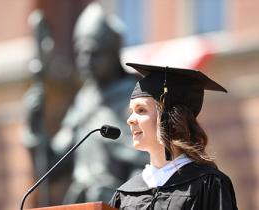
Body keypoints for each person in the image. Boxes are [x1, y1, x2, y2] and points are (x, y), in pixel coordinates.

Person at [51, 2, 148, 204]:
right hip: (80, 202)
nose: (85, 60)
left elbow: (147, 159)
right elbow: (54, 165)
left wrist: (130, 199)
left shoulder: (136, 97)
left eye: (94, 53)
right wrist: (34, 130)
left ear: (113, 54)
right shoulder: (82, 101)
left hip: (119, 200)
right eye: (80, 53)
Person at [109, 63, 238, 210]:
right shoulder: (126, 194)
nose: (130, 119)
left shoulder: (207, 184)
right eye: (131, 111)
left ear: (168, 117)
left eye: (141, 110)